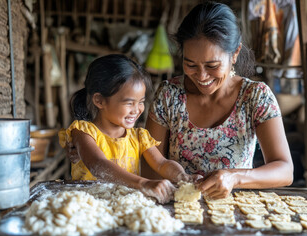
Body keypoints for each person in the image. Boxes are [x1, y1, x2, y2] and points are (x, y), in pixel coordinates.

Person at [144, 1, 294, 199]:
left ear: (235, 54)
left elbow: (285, 171)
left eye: (212, 65)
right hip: (178, 210)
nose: (202, 76)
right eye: (190, 65)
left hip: (236, 214)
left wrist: (235, 178)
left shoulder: (256, 97)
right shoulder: (169, 96)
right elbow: (150, 168)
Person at [59, 54, 199, 203]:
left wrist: (184, 177)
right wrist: (143, 183)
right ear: (99, 100)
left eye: (141, 102)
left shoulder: (139, 137)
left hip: (124, 206)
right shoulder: (83, 132)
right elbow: (98, 165)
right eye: (129, 103)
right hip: (89, 207)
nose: (137, 110)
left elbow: (162, 164)